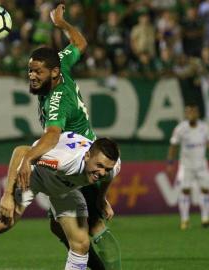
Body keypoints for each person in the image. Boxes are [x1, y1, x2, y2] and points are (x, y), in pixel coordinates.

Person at [17, 4, 122, 269]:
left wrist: (28, 158)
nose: (32, 75)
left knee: (89, 228)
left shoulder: (56, 101)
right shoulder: (62, 63)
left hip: (76, 158)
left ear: (49, 71)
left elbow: (53, 135)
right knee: (58, 226)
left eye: (36, 71)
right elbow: (80, 42)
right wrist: (62, 24)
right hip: (86, 151)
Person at [0, 132, 121, 270]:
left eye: (106, 168)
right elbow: (22, 152)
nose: (102, 172)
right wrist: (7, 195)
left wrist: (101, 198)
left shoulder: (112, 167)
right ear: (87, 156)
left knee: (81, 244)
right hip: (36, 177)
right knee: (3, 223)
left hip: (64, 189)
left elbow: (108, 177)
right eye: (99, 166)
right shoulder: (62, 160)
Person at [166, 103, 209, 230]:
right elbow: (173, 145)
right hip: (186, 165)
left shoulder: (205, 127)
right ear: (186, 114)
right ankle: (185, 220)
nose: (192, 114)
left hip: (201, 164)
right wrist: (170, 163)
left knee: (205, 189)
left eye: (194, 112)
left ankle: (206, 219)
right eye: (189, 112)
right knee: (185, 190)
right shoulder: (180, 129)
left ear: (198, 113)